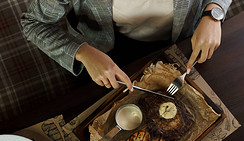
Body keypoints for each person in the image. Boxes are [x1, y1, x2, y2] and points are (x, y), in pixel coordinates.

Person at [21, 0, 231, 91]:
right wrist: (83, 52)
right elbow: (33, 23)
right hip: (103, 51)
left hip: (184, 39)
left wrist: (214, 12)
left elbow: (216, 7)